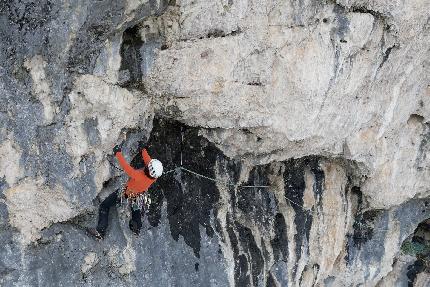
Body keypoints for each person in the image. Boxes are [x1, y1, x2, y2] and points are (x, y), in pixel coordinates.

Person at [87, 145, 163, 239]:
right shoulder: (153, 178)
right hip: (138, 195)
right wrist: (143, 150)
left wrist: (118, 153)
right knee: (135, 209)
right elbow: (148, 161)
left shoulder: (138, 176)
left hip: (125, 194)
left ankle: (100, 231)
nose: (148, 164)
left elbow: (126, 167)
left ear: (149, 169)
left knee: (104, 206)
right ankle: (137, 227)